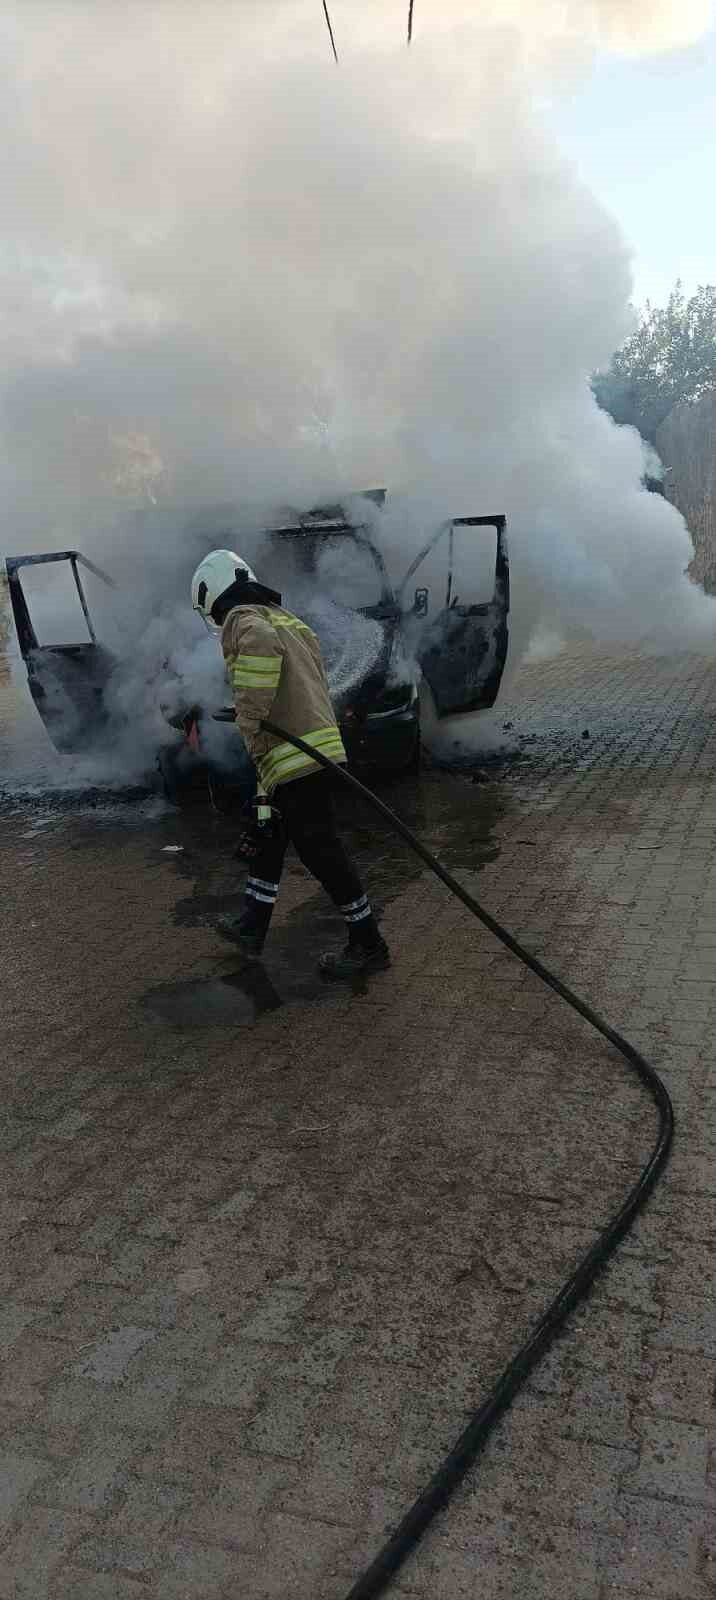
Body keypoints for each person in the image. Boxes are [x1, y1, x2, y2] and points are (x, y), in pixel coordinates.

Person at [191, 548, 390, 979]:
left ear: (214, 594)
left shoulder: (244, 619)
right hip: (308, 749)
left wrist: (249, 719)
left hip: (294, 754)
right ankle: (252, 925)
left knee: (320, 850)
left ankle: (368, 942)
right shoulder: (288, 619)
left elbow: (260, 663)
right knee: (270, 835)